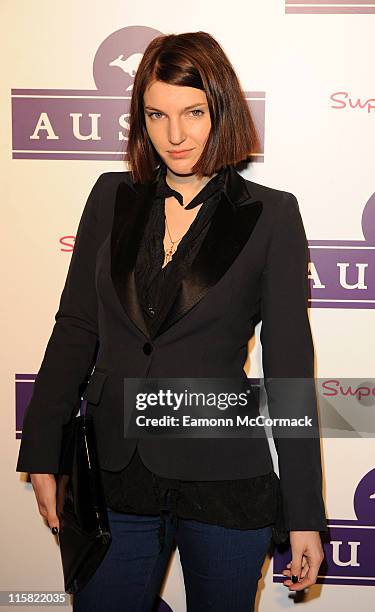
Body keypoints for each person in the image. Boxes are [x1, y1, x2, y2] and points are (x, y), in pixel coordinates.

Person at [16, 31, 327, 611]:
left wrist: (305, 514)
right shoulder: (111, 197)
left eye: (193, 112)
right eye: (157, 114)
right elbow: (76, 327)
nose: (174, 134)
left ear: (222, 111)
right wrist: (41, 450)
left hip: (223, 474)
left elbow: (289, 371)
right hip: (114, 471)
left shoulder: (272, 215)